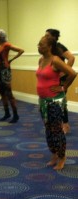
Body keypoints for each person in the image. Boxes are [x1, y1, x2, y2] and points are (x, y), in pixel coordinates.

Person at [36, 35, 76, 170]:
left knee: (56, 130)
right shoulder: (41, 60)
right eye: (38, 44)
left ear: (50, 47)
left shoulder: (56, 60)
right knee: (48, 129)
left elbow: (72, 73)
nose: (38, 46)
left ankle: (62, 156)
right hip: (43, 101)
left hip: (54, 101)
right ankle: (54, 154)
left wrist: (63, 87)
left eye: (41, 45)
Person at [45, 29, 75, 134]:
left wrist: (65, 71)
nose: (46, 37)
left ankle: (65, 124)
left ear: (54, 37)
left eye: (48, 35)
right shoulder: (48, 48)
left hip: (60, 80)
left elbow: (71, 58)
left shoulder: (59, 47)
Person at [0, 29, 24, 123]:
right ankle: (7, 113)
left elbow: (21, 50)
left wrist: (11, 60)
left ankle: (15, 115)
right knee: (2, 93)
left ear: (1, 36)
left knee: (9, 93)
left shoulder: (6, 45)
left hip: (5, 71)